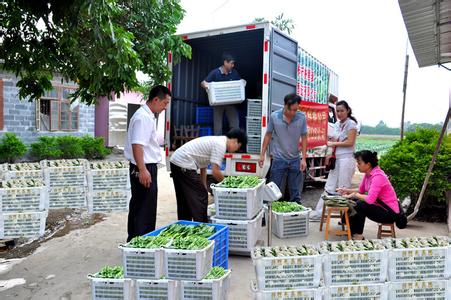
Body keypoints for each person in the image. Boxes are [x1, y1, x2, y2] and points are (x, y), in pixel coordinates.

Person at [124, 85, 171, 242]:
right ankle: (140, 243)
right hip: (143, 166)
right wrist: (143, 169)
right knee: (144, 208)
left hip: (142, 165)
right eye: (165, 103)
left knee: (140, 205)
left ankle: (135, 241)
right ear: (156, 99)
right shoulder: (143, 117)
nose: (165, 107)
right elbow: (137, 145)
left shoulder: (147, 115)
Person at [170, 128, 247, 222]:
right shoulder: (220, 145)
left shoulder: (217, 141)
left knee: (185, 199)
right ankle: (202, 225)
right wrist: (230, 187)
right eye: (238, 147)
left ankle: (184, 224)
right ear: (235, 141)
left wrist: (204, 186)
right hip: (183, 163)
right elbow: (216, 172)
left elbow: (203, 167)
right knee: (200, 196)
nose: (235, 150)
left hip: (176, 161)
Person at [310, 100, 358, 221]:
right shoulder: (336, 124)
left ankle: (346, 217)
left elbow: (350, 142)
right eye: (337, 111)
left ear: (347, 110)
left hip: (347, 159)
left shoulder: (351, 124)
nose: (339, 113)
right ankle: (319, 212)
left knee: (344, 188)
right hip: (336, 158)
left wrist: (333, 143)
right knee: (329, 185)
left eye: (342, 110)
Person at [338, 150, 401, 240]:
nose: (357, 165)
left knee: (360, 204)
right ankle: (350, 229)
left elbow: (370, 199)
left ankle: (358, 235)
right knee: (354, 201)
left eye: (359, 163)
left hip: (389, 212)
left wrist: (354, 194)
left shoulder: (378, 177)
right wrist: (345, 190)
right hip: (380, 207)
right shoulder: (368, 174)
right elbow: (361, 190)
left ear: (368, 164)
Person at [259, 93, 308, 204]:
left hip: (295, 160)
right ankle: (269, 216)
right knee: (272, 190)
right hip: (278, 159)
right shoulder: (275, 116)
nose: (292, 113)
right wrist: (262, 155)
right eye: (290, 110)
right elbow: (268, 135)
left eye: (295, 110)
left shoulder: (301, 118)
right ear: (284, 105)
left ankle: (294, 216)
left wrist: (303, 158)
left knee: (295, 192)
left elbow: (304, 137)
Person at [201, 53, 241, 135]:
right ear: (225, 62)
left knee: (235, 125)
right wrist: (206, 85)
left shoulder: (234, 73)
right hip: (218, 103)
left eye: (233, 64)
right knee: (217, 126)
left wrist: (243, 82)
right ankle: (218, 145)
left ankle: (233, 144)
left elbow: (239, 83)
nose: (233, 65)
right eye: (231, 63)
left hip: (231, 102)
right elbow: (203, 82)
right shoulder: (215, 73)